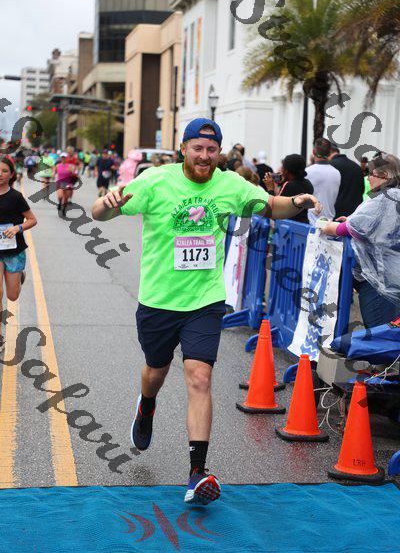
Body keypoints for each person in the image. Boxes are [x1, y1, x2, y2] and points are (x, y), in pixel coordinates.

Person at [91, 118, 321, 506]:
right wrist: (105, 205)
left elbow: (270, 206)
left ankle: (197, 473)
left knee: (199, 377)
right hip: (159, 300)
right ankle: (146, 406)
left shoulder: (229, 185)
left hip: (205, 300)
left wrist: (298, 201)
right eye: (197, 148)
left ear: (219, 153)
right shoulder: (155, 181)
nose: (204, 155)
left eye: (211, 150)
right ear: (183, 148)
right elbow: (101, 212)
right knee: (156, 371)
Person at [321, 153, 400, 328]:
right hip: (390, 274)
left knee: (379, 331)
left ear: (384, 176)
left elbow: (345, 229)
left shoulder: (384, 198)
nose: (368, 178)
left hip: (379, 280)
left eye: (371, 174)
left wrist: (326, 226)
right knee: (388, 330)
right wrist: (351, 221)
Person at [0, 157, 37, 335]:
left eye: (4, 171)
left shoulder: (16, 197)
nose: (0, 174)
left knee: (12, 296)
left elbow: (32, 220)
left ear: (11, 174)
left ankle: (19, 276)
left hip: (14, 251)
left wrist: (17, 228)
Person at [264, 155, 314, 224]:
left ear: (287, 171)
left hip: (288, 226)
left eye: (283, 167)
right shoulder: (308, 184)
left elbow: (274, 211)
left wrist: (270, 189)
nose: (281, 170)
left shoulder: (288, 185)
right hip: (303, 223)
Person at [306, 137, 341, 226]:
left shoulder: (307, 172)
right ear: (330, 153)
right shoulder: (337, 173)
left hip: (310, 223)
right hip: (329, 224)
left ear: (313, 151)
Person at [328, 144, 364, 217]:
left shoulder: (330, 166)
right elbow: (362, 189)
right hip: (356, 212)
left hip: (337, 213)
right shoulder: (356, 166)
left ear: (328, 153)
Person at [55, 152, 78, 217]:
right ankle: (60, 203)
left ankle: (64, 210)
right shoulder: (57, 165)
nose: (63, 159)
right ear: (60, 158)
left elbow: (75, 175)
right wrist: (53, 175)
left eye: (64, 157)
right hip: (60, 183)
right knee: (60, 196)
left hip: (68, 183)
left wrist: (72, 172)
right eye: (62, 157)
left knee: (66, 198)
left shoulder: (70, 166)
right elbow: (54, 173)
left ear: (66, 158)